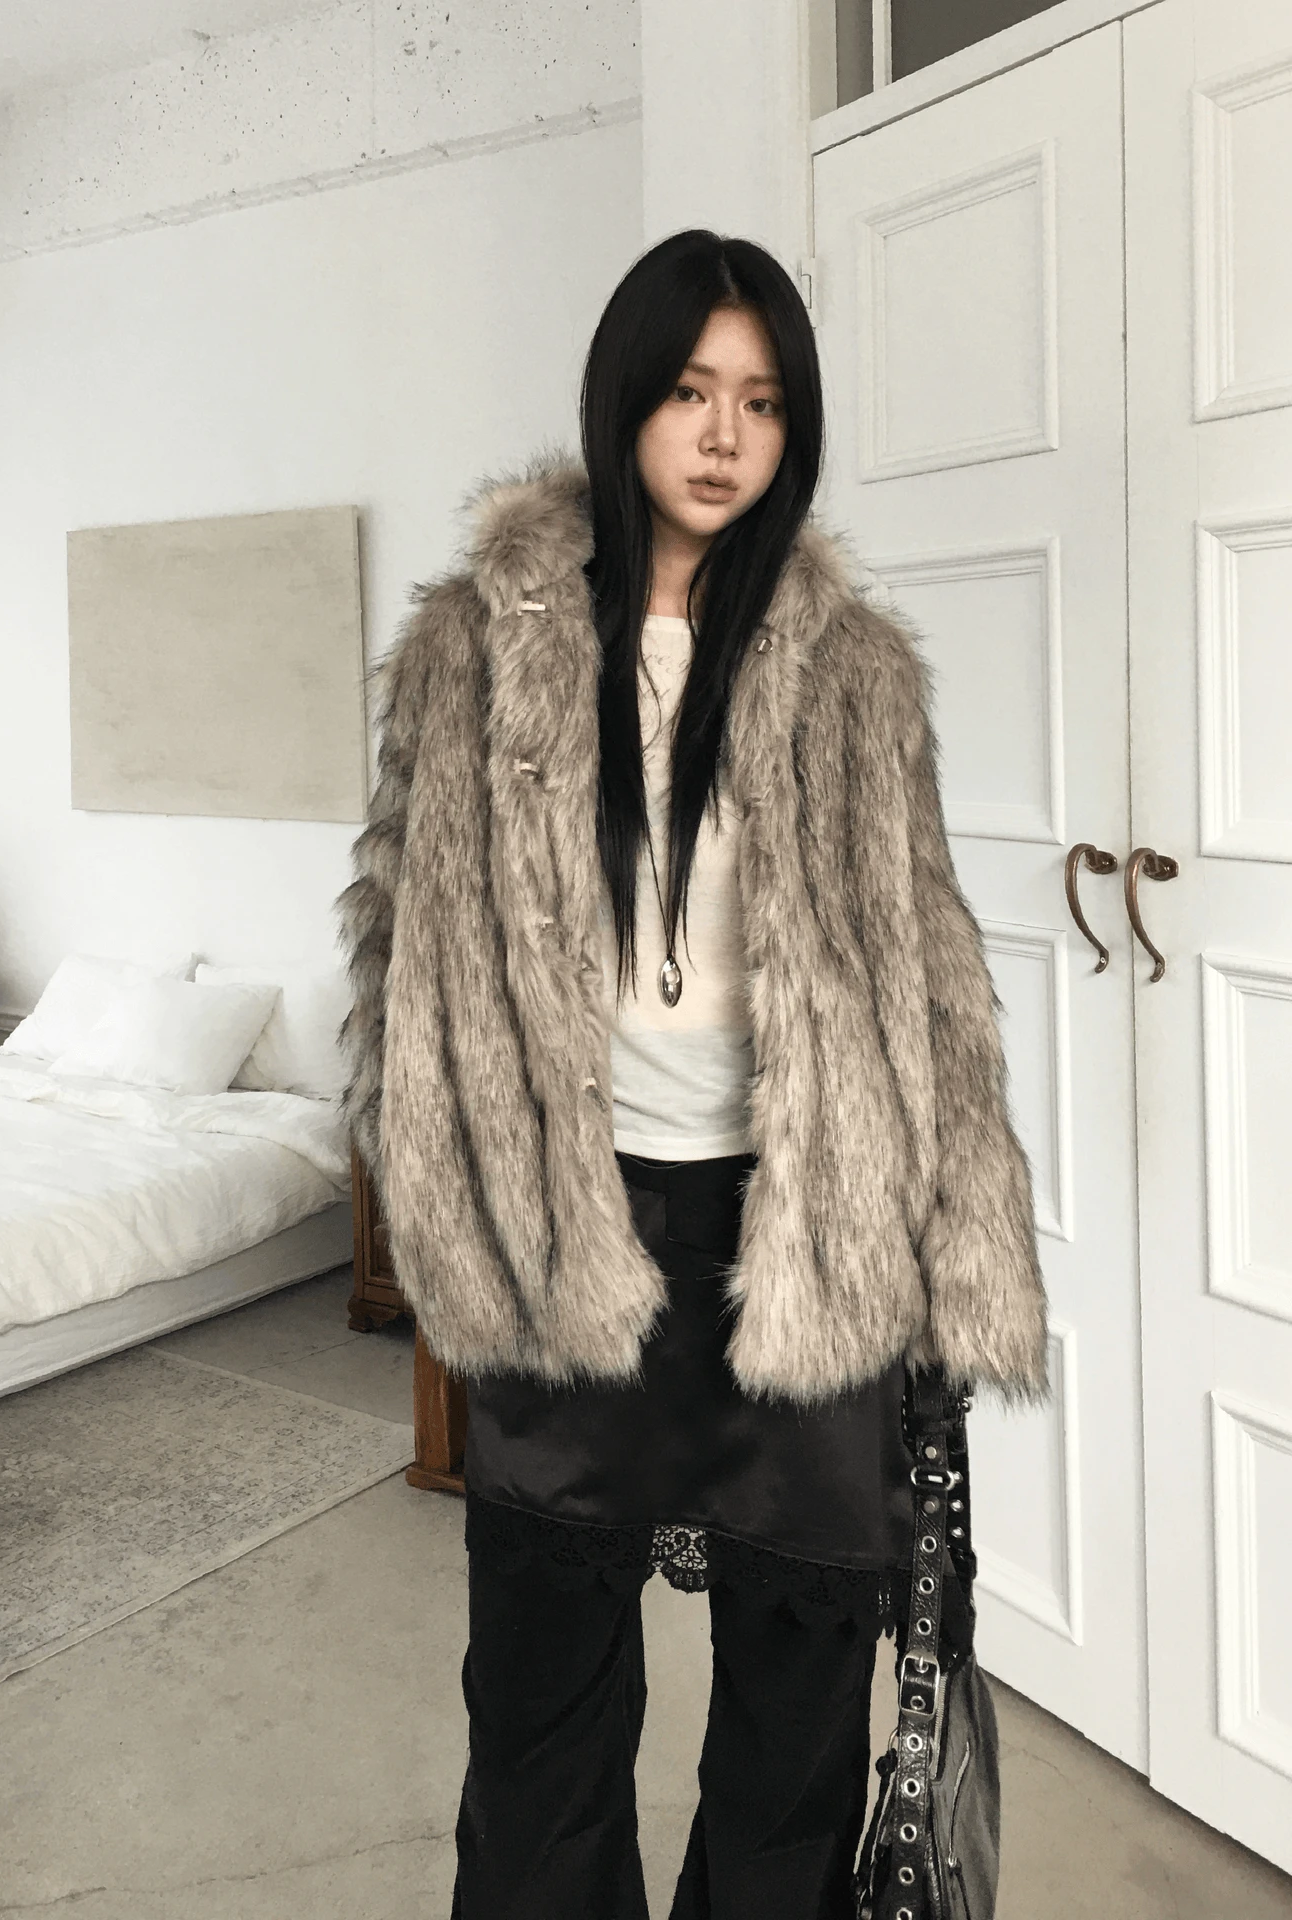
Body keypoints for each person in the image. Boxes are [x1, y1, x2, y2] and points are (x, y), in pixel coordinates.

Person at [335, 230, 1047, 1920]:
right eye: (689, 391)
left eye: (764, 402)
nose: (726, 435)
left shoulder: (854, 669)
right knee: (542, 1706)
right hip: (568, 1232)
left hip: (799, 1237)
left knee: (797, 1716)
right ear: (624, 401)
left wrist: (959, 1256)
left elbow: (929, 970)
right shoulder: (477, 646)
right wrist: (438, 1187)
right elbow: (401, 934)